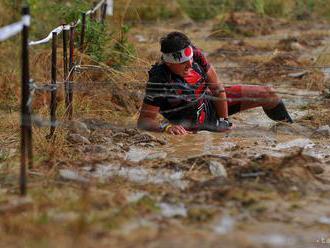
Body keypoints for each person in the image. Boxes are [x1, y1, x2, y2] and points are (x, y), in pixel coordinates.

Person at [137, 32, 293, 135]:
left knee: (268, 94)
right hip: (188, 124)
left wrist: (223, 121)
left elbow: (217, 88)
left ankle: (291, 128)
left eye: (190, 60)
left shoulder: (195, 54)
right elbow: (144, 121)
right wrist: (167, 128)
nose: (189, 66)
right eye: (183, 63)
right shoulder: (159, 78)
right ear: (169, 63)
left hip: (210, 104)